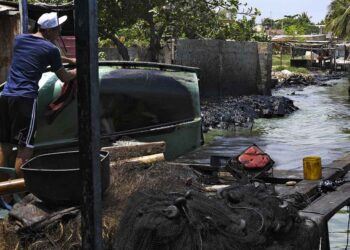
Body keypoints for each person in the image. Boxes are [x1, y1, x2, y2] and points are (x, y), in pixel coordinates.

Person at [0, 12, 76, 177]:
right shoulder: (51, 49)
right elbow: (64, 77)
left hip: (6, 96)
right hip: (25, 99)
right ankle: (20, 193)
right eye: (57, 29)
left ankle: (4, 193)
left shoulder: (20, 40)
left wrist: (68, 60)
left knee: (4, 146)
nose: (60, 31)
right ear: (48, 31)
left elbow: (36, 53)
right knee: (25, 148)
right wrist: (80, 69)